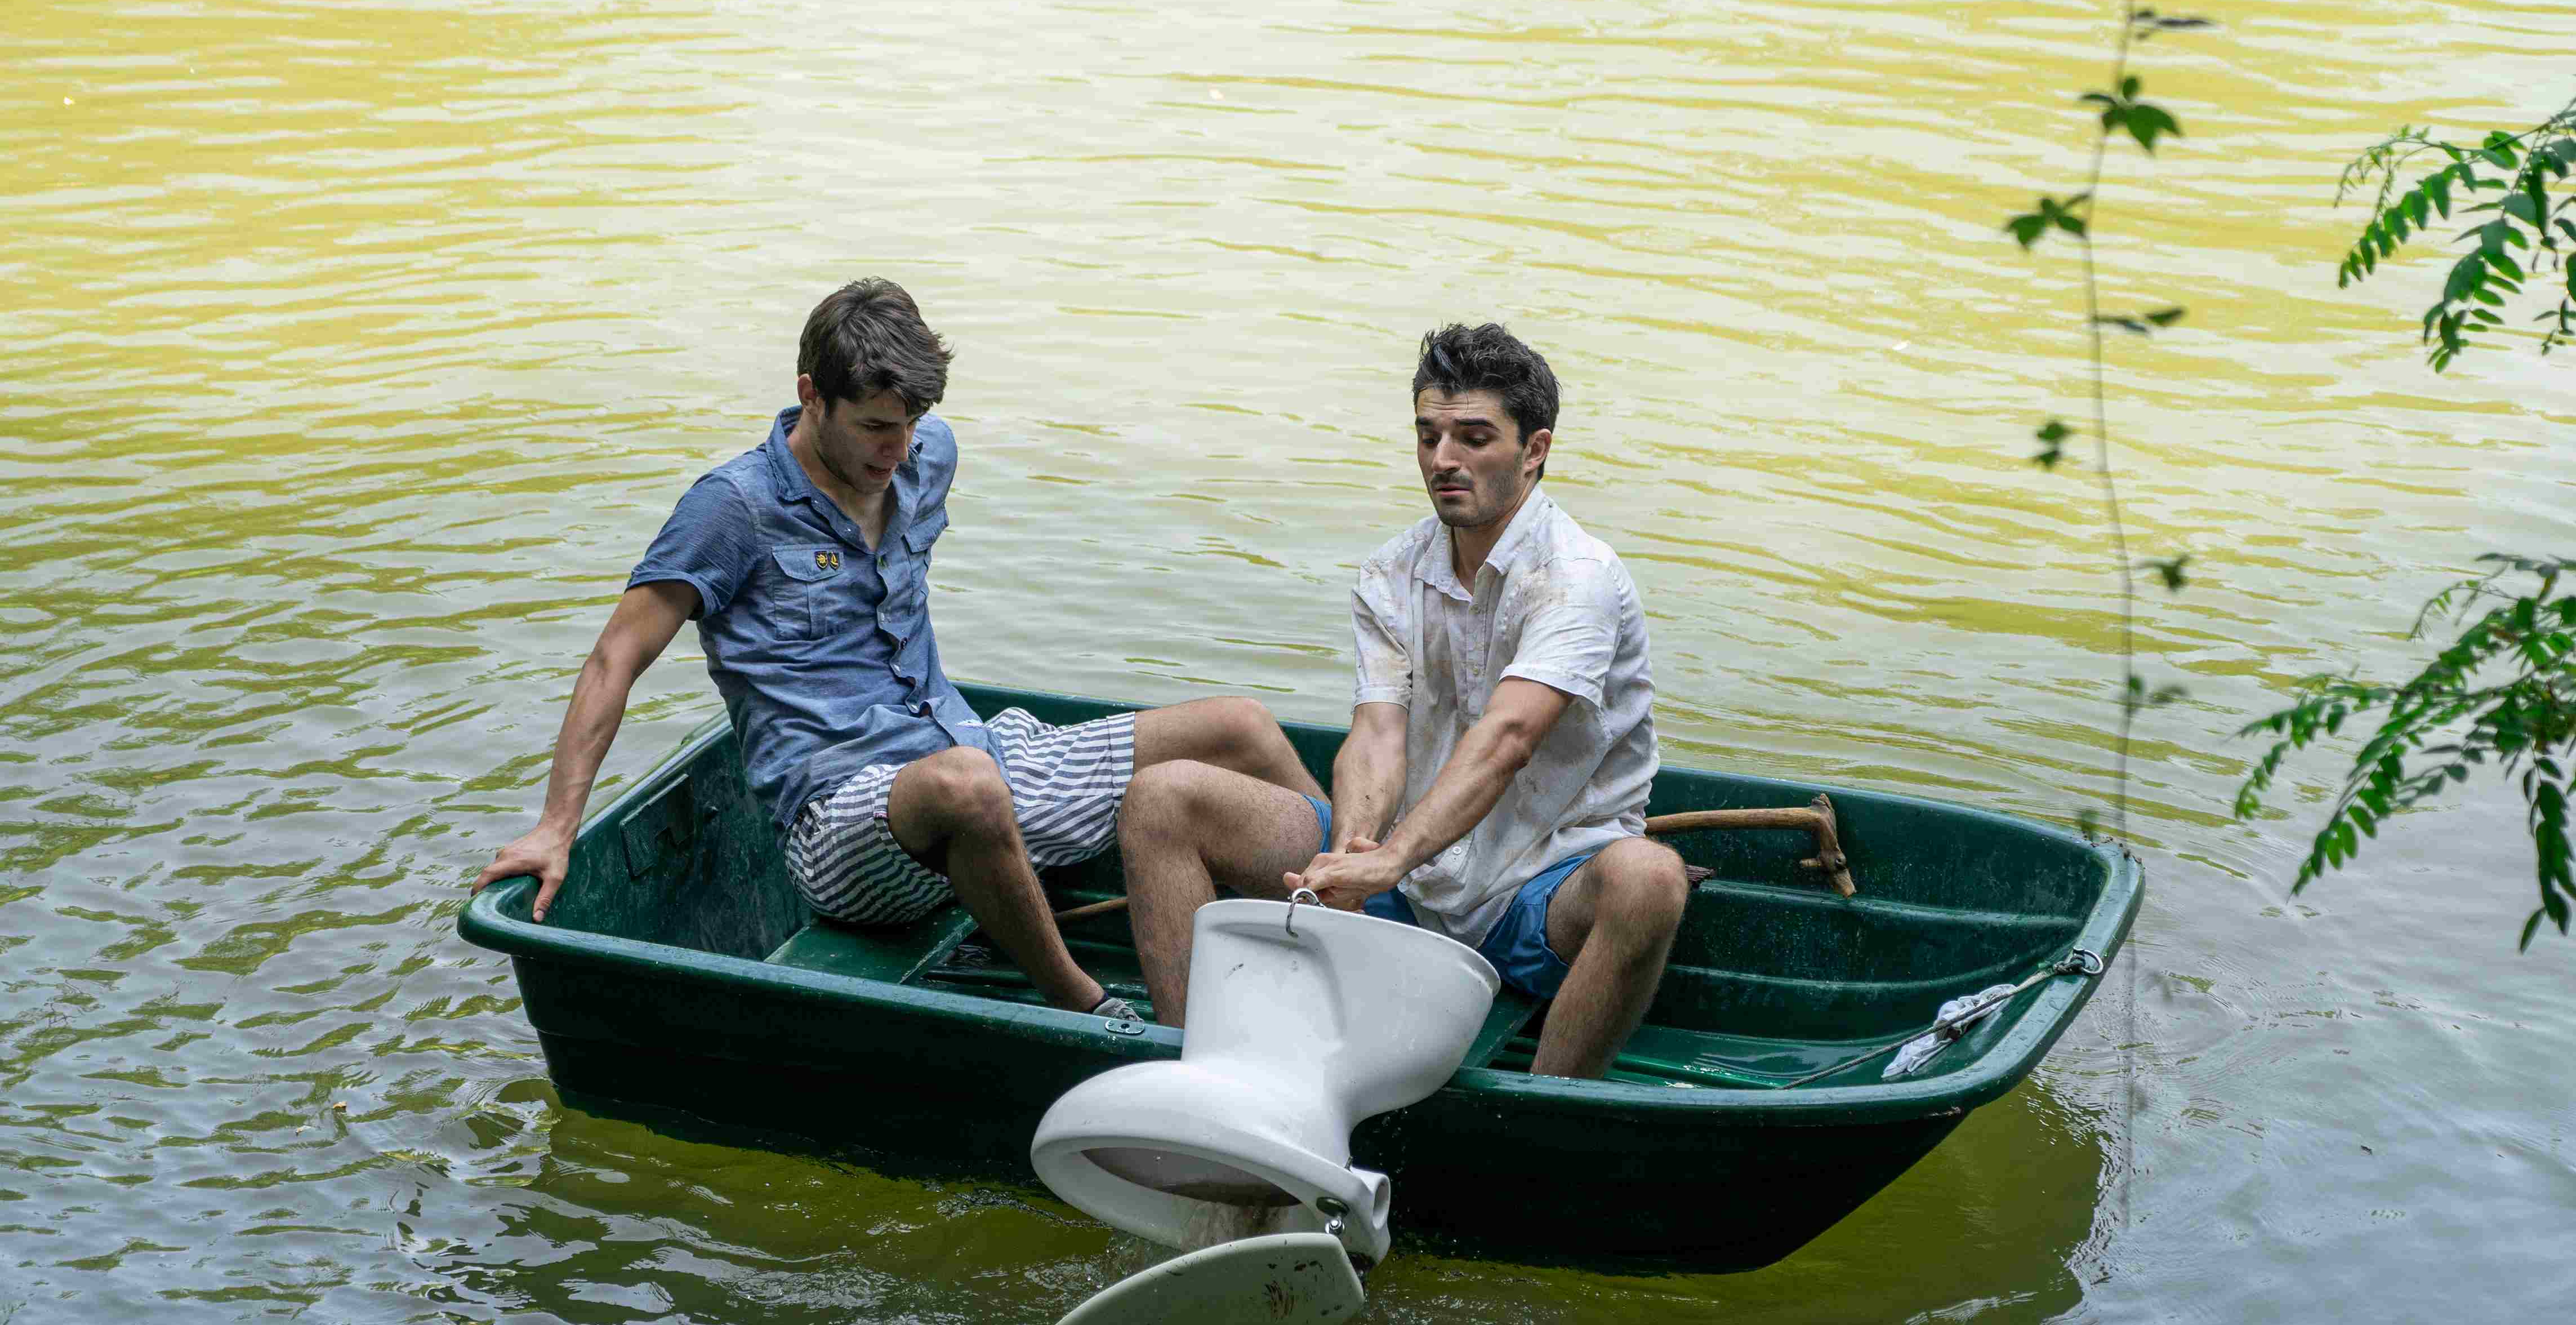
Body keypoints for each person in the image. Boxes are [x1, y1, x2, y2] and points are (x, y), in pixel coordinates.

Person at [473, 278, 1322, 1015]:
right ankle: (1081, 1005)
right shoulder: (731, 509)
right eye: (878, 427)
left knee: (1238, 728)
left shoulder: (924, 457)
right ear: (811, 395)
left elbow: (910, 478)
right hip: (842, 829)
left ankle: (1365, 923)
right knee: (968, 786)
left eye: (913, 422)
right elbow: (613, 659)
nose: (899, 448)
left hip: (969, 752)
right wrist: (556, 827)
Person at [1116, 322, 1687, 1079]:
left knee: (1649, 879)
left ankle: (1547, 1108)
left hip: (1538, 899)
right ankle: (1196, 1075)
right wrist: (1352, 849)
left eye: (1473, 437)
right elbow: (1379, 733)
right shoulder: (1393, 570)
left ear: (1535, 450)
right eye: (1428, 435)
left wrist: (1388, 859)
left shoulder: (1576, 577)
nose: (1443, 460)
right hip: (1409, 883)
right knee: (1163, 797)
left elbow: (1508, 738)